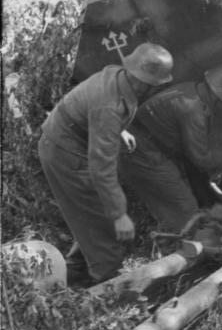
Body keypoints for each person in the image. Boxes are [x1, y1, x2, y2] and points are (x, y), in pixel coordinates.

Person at [38, 42, 174, 285]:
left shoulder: (118, 76)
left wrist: (120, 131)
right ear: (143, 82)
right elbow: (102, 169)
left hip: (69, 141)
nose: (155, 90)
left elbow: (97, 111)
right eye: (155, 85)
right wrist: (119, 214)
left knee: (91, 213)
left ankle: (77, 271)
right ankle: (108, 286)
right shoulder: (109, 108)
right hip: (64, 152)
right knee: (101, 220)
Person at [120, 61, 222, 234]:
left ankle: (173, 245)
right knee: (184, 206)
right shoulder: (193, 109)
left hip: (142, 148)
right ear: (220, 97)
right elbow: (201, 157)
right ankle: (188, 251)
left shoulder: (191, 90)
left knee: (171, 205)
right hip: (143, 152)